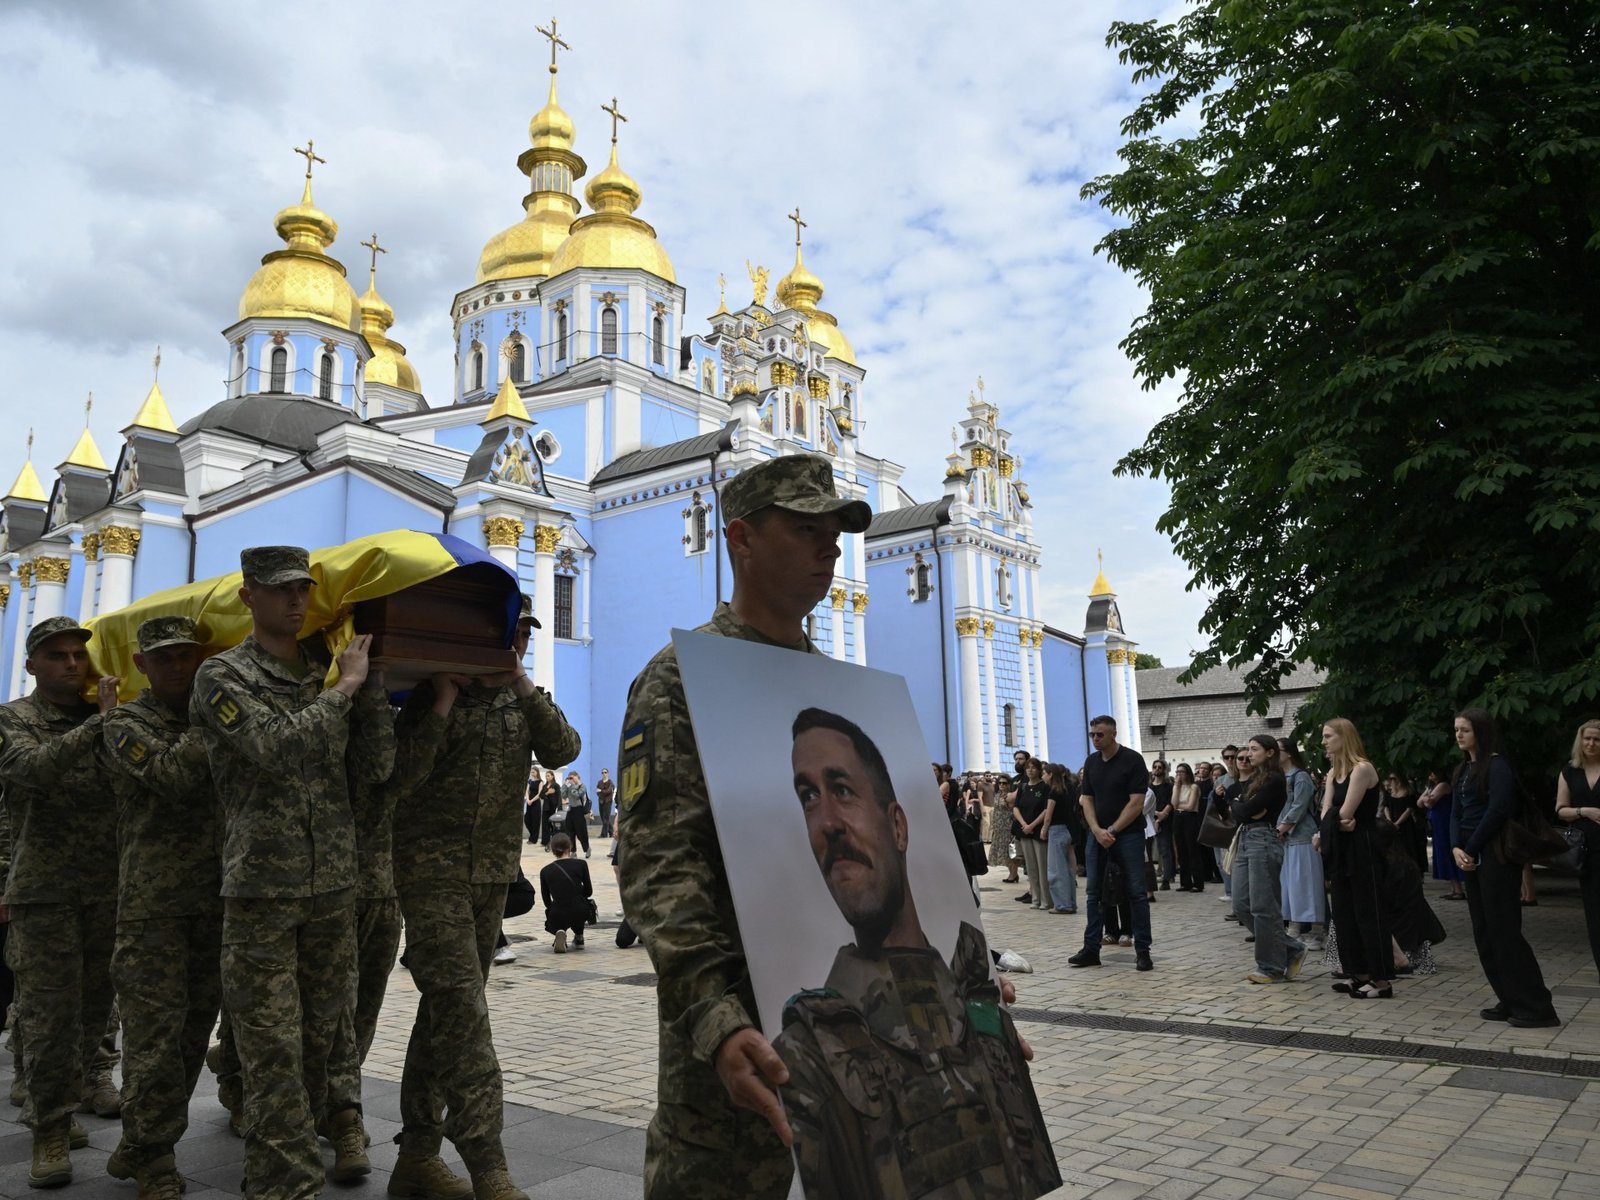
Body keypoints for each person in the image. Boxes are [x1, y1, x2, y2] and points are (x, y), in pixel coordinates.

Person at [616, 454, 871, 1199]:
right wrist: (716, 1021)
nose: (829, 547)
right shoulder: (681, 678)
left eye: (835, 532)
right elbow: (661, 867)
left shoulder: (834, 689)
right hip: (734, 1033)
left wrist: (960, 984)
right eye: (805, 528)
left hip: (844, 1016)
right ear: (742, 541)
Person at [776, 707, 1061, 1200]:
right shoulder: (809, 1055)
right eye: (808, 798)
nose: (826, 824)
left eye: (842, 790)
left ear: (899, 827)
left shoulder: (974, 1002)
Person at [189, 546, 391, 1196]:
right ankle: (286, 1183)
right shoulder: (222, 677)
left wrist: (373, 691)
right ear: (249, 598)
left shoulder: (326, 672)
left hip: (333, 889)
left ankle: (294, 1159)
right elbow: (276, 748)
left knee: (319, 1043)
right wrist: (347, 691)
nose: (297, 601)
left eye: (304, 589)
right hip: (261, 893)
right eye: (281, 591)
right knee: (271, 1047)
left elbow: (371, 772)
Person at [390, 593, 581, 1200]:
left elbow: (564, 749)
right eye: (511, 631)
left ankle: (417, 1154)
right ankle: (487, 1161)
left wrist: (522, 683)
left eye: (525, 632)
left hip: (491, 877)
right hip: (430, 874)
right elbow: (402, 775)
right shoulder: (430, 696)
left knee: (443, 1012)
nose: (518, 641)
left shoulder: (520, 698)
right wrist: (444, 700)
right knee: (466, 1015)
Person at [0, 615, 120, 1188]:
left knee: (93, 1015)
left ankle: (69, 1103)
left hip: (107, 890)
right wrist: (101, 727)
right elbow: (31, 770)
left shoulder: (113, 719)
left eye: (78, 654)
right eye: (57, 655)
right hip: (43, 893)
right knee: (48, 1018)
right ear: (32, 666)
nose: (72, 664)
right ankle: (49, 1132)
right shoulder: (13, 720)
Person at [101, 617, 219, 1193]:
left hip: (215, 903)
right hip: (153, 910)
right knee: (152, 1040)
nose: (178, 666)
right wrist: (215, 715)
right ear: (142, 665)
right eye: (164, 658)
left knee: (192, 1034)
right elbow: (171, 775)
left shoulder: (220, 719)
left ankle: (144, 1136)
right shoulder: (125, 722)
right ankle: (153, 1160)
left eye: (186, 656)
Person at [1451, 708, 1558, 1027]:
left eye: (1465, 730)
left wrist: (1469, 848)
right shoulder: (1461, 770)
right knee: (1484, 931)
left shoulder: (1498, 766)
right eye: (1456, 730)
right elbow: (1456, 813)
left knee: (1504, 929)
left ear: (1480, 732)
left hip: (1495, 853)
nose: (1458, 735)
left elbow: (1498, 810)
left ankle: (1536, 1007)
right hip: (1470, 854)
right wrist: (1456, 847)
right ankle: (1508, 998)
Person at [1069, 714, 1154, 971]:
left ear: (1113, 734)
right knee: (1093, 892)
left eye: (1100, 734)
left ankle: (1143, 950)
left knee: (1136, 892)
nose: (1095, 739)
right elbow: (1087, 799)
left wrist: (1112, 830)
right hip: (1097, 836)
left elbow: (1136, 803)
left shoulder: (1132, 760)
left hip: (1127, 835)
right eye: (1092, 734)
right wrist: (1096, 830)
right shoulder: (1092, 762)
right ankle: (1091, 948)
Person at [1319, 718, 1393, 1000]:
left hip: (1362, 848)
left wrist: (1332, 822)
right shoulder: (1331, 773)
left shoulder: (1362, 768)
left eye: (1328, 736)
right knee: (1344, 913)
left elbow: (1346, 813)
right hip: (1341, 848)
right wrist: (1334, 823)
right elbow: (1330, 815)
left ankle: (1380, 979)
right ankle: (1357, 973)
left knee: (1367, 913)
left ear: (1344, 737)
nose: (1324, 742)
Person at [1229, 736, 1306, 984]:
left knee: (1264, 906)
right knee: (1241, 904)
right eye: (1248, 749)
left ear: (1270, 752)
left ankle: (1270, 966)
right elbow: (1239, 810)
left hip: (1264, 839)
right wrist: (1242, 805)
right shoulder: (1254, 780)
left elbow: (1246, 810)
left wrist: (1243, 806)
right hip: (1246, 838)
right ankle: (1291, 947)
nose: (1249, 754)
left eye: (1254, 749)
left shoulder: (1274, 779)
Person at [1555, 718, 1600, 982]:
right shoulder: (1569, 771)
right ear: (1580, 741)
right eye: (1587, 738)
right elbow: (1561, 810)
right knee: (1594, 912)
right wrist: (1586, 811)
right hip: (1586, 851)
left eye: (1596, 739)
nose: (1591, 743)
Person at [1276, 738, 1326, 948]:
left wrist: (1283, 828)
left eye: (1277, 750)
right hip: (1286, 839)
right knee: (1289, 886)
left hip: (1303, 837)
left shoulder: (1301, 776)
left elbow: (1299, 806)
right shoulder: (1280, 777)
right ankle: (1294, 927)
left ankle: (1317, 931)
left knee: (1307, 884)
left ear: (1288, 753)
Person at [538, 833, 593, 953]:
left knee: (556, 912)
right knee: (578, 905)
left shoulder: (545, 871)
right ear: (570, 847)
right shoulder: (581, 864)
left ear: (553, 850)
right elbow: (589, 891)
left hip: (558, 912)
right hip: (580, 910)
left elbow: (546, 901)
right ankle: (579, 937)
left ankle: (559, 931)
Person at [1013, 759, 1053, 910]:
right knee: (1031, 867)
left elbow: (1045, 809)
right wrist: (1024, 824)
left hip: (1037, 830)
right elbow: (1016, 807)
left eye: (1033, 768)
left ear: (1039, 770)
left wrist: (1032, 825)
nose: (1030, 770)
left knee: (1042, 866)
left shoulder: (1044, 787)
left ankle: (1046, 900)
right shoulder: (1022, 787)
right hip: (1024, 830)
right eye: (1027, 768)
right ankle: (1035, 898)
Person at [1419, 769, 1465, 899]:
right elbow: (1420, 802)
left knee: (1446, 853)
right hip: (1438, 825)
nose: (1431, 774)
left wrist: (1426, 797)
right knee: (1442, 853)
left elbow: (1428, 803)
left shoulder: (1443, 785)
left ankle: (1458, 889)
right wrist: (1425, 796)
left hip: (1444, 824)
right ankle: (1455, 888)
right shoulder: (1432, 786)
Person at [1044, 762, 1079, 914]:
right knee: (1067, 869)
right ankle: (1071, 902)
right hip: (1067, 830)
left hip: (1056, 831)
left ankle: (1063, 905)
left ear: (1051, 775)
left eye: (1045, 773)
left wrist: (1044, 829)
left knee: (1056, 870)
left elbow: (1048, 814)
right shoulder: (1068, 789)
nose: (1043, 776)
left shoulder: (1054, 792)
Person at [1382, 773, 1428, 875]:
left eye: (1393, 779)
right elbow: (1386, 807)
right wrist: (1390, 821)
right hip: (1392, 824)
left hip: (1406, 825)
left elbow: (1409, 810)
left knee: (1409, 848)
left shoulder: (1408, 793)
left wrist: (1397, 823)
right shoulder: (1389, 793)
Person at [1172, 763, 1205, 892]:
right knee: (1181, 850)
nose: (1180, 774)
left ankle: (1198, 882)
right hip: (1178, 817)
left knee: (1192, 849)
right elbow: (1174, 804)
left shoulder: (1194, 786)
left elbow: (1191, 806)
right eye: (1178, 772)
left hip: (1190, 818)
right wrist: (1176, 786)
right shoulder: (1177, 787)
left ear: (1188, 773)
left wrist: (1182, 805)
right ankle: (1185, 882)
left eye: (1182, 772)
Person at [985, 773, 1018, 880]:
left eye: (1004, 783)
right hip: (998, 827)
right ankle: (1012, 874)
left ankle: (1013, 874)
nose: (1002, 785)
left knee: (1011, 851)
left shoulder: (1010, 795)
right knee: (1004, 851)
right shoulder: (997, 794)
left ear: (1009, 784)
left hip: (1008, 827)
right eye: (1000, 783)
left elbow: (1012, 810)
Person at [1149, 759, 1175, 889]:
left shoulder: (1169, 786)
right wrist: (1155, 816)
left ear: (1164, 770)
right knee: (1151, 851)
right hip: (1150, 820)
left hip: (1165, 820)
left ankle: (1167, 878)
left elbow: (1171, 803)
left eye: (1160, 767)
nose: (1157, 769)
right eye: (1155, 767)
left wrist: (1161, 817)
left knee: (1165, 849)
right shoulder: (1149, 787)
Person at [561, 770, 592, 857]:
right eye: (569, 777)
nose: (570, 779)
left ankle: (587, 848)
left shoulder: (582, 786)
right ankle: (573, 851)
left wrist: (571, 786)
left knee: (581, 832)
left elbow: (577, 795)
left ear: (577, 777)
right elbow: (563, 796)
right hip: (570, 810)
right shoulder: (569, 786)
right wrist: (564, 785)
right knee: (570, 831)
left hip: (579, 810)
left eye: (572, 777)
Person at [538, 769, 561, 849]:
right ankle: (545, 841)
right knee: (545, 824)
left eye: (548, 776)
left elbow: (559, 797)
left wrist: (558, 808)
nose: (547, 777)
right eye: (546, 776)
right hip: (545, 807)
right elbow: (541, 795)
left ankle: (554, 841)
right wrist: (548, 793)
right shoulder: (545, 786)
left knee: (552, 825)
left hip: (552, 807)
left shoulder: (556, 785)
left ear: (552, 776)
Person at [596, 767, 616, 838]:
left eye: (605, 772)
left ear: (608, 773)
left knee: (606, 818)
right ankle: (611, 832)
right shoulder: (599, 782)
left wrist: (601, 791)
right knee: (603, 818)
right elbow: (597, 792)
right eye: (603, 772)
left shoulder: (610, 782)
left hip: (608, 801)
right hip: (601, 801)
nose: (604, 774)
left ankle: (604, 834)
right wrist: (602, 793)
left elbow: (609, 791)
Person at [523, 771, 541, 844]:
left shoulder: (540, 782)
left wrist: (532, 800)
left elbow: (539, 794)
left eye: (533, 772)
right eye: (531, 772)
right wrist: (528, 800)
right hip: (529, 802)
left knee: (535, 821)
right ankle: (532, 835)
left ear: (537, 772)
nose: (532, 773)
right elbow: (527, 791)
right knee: (527, 820)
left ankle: (533, 839)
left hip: (536, 802)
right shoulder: (530, 781)